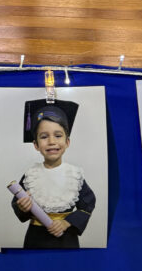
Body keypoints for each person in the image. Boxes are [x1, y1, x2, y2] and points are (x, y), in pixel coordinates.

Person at [12, 99, 95, 249]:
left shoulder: (74, 175)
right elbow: (17, 204)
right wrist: (23, 208)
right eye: (44, 137)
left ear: (67, 142)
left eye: (58, 135)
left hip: (66, 238)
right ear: (36, 145)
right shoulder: (31, 175)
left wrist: (66, 222)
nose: (51, 141)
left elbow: (87, 205)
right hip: (35, 238)